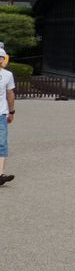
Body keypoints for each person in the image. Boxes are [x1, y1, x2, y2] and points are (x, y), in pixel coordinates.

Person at [0, 48, 15, 186]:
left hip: (1, 113)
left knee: (2, 143)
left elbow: (10, 94)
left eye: (1, 57)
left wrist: (11, 112)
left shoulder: (7, 75)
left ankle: (0, 174)